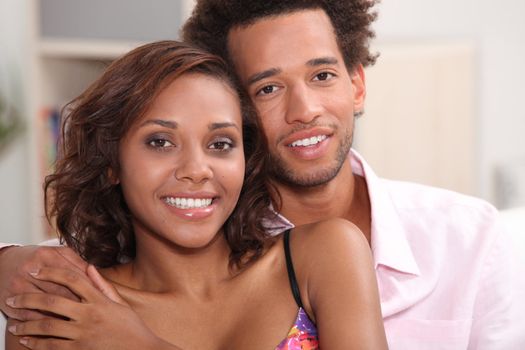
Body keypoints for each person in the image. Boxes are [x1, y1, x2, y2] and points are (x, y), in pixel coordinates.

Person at [1, 0, 522, 348]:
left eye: (321, 75)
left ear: (357, 84)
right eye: (269, 88)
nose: (304, 110)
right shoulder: (72, 307)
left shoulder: (454, 239)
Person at [3, 40, 387, 349]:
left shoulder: (323, 255)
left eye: (220, 144)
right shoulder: (64, 312)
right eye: (160, 141)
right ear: (111, 163)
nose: (196, 169)